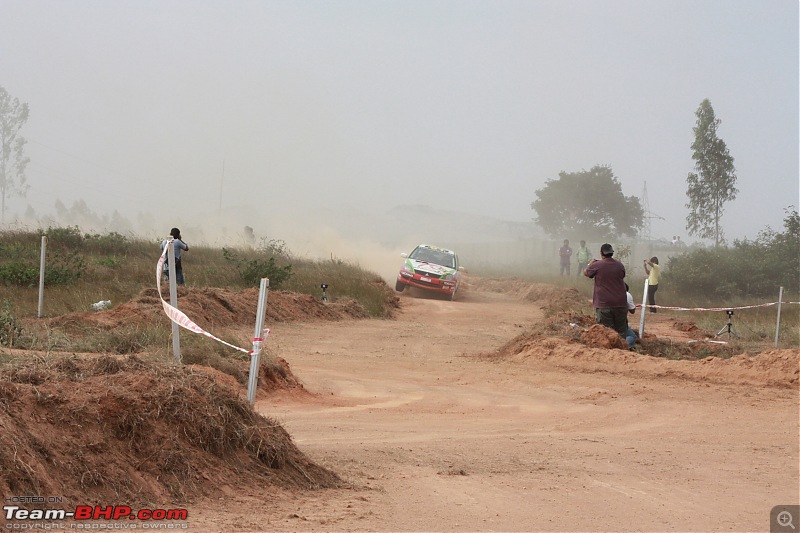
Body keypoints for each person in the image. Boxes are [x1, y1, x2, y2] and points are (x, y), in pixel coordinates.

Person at [583, 243, 628, 338]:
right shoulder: (619, 265)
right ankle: (624, 351)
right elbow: (622, 276)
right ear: (612, 253)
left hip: (604, 304)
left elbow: (586, 273)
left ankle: (609, 352)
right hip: (621, 303)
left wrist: (590, 264)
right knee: (622, 333)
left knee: (606, 334)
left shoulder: (597, 265)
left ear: (601, 253)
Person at [624, 283, 639, 350]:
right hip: (620, 321)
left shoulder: (609, 292)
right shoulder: (627, 294)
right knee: (632, 336)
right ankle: (624, 348)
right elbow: (632, 311)